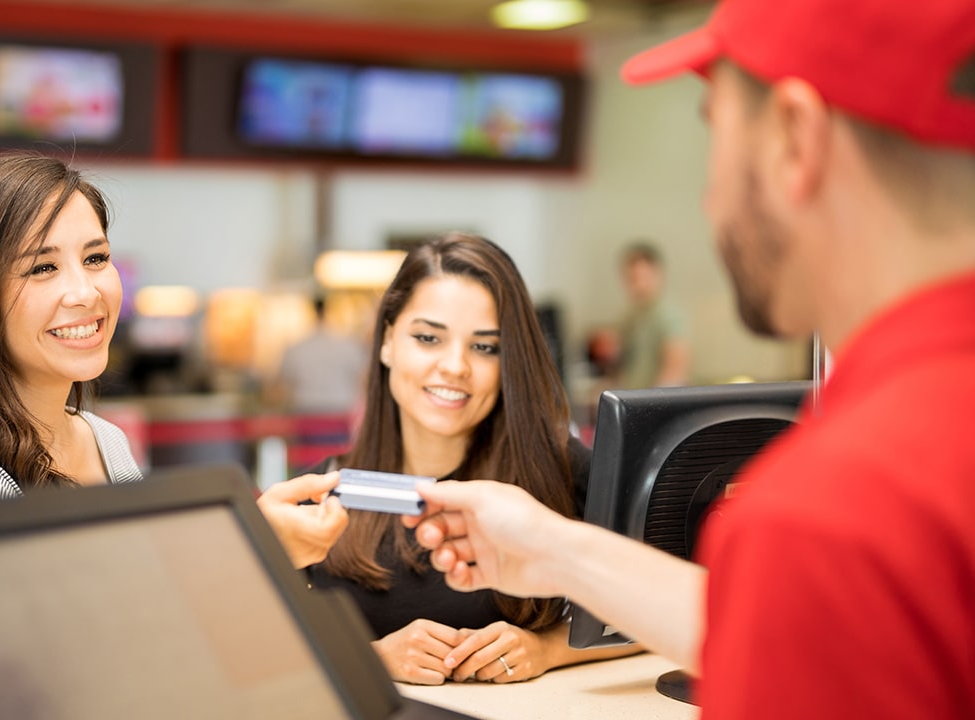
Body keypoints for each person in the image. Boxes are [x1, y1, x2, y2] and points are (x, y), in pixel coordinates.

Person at [406, 0, 975, 717]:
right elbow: (782, 627)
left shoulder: (830, 520)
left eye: (716, 134)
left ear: (794, 141)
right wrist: (556, 551)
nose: (708, 201)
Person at [0, 150, 348, 569]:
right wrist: (256, 554)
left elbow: (145, 604)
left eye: (96, 257)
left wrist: (255, 538)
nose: (87, 293)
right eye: (43, 267)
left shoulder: (103, 440)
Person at [304, 232, 640, 685]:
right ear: (387, 342)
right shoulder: (323, 490)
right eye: (428, 338)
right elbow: (251, 645)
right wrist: (373, 658)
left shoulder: (558, 469)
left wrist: (546, 649)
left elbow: (667, 607)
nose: (455, 366)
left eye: (485, 347)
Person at [265, 296, 368, 416]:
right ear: (329, 311)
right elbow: (362, 377)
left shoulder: (296, 348)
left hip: (306, 409)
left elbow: (280, 382)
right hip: (339, 410)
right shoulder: (348, 345)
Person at [612, 241, 690, 389]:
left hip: (654, 402)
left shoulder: (668, 315)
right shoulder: (632, 315)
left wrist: (650, 405)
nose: (638, 284)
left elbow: (675, 369)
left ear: (658, 274)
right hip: (635, 397)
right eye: (631, 278)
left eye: (643, 277)